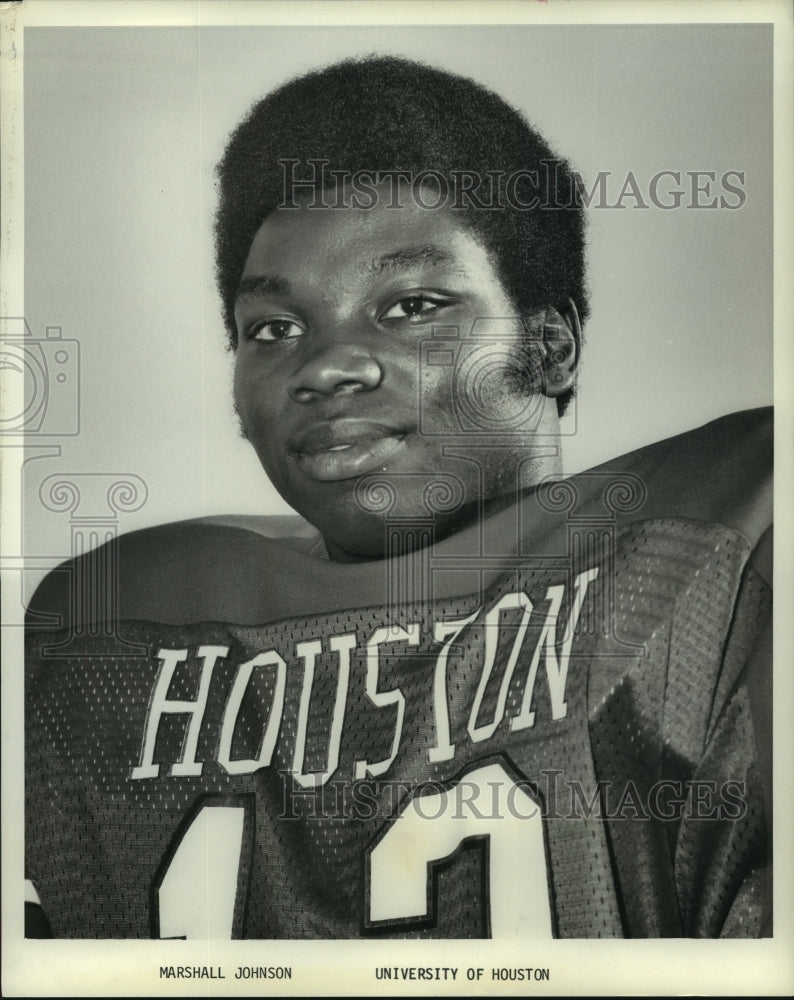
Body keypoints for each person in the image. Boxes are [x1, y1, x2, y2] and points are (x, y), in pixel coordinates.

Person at [24, 55, 772, 939]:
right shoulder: (106, 622)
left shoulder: (718, 540)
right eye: (274, 328)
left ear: (552, 345)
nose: (325, 365)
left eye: (412, 304)